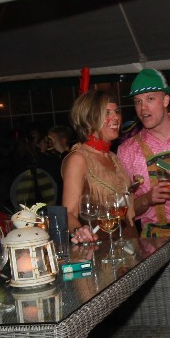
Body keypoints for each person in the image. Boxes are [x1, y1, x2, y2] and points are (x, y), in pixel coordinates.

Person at [117, 69, 170, 238]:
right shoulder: (127, 150)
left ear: (165, 100)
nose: (143, 108)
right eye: (138, 102)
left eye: (150, 99)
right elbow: (122, 210)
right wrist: (147, 199)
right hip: (154, 242)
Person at [61, 89, 135, 243]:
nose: (116, 117)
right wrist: (79, 231)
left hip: (127, 243)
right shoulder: (79, 159)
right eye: (107, 113)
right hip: (100, 247)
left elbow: (124, 207)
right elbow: (68, 213)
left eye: (116, 112)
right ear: (89, 119)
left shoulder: (113, 157)